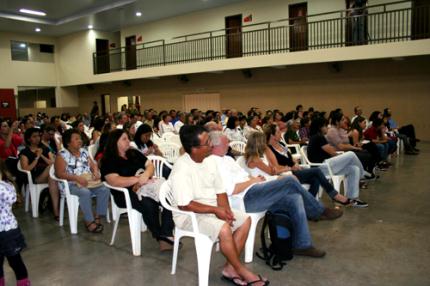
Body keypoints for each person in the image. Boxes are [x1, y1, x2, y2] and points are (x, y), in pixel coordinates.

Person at [209, 131, 343, 258]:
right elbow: (232, 190)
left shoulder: (227, 160)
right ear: (215, 145)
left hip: (255, 191)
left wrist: (255, 180)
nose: (228, 144)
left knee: (294, 198)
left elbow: (247, 177)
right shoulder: (213, 163)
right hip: (245, 199)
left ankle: (302, 244)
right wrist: (254, 181)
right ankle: (318, 211)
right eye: (225, 143)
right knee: (289, 181)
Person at [169, 125, 269, 286]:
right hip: (190, 215)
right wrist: (216, 210)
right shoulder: (182, 168)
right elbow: (185, 205)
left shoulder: (209, 161)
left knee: (245, 220)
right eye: (207, 142)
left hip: (211, 209)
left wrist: (226, 211)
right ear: (194, 149)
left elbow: (220, 191)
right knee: (223, 228)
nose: (211, 145)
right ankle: (242, 270)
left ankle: (230, 268)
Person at [101, 129, 174, 250]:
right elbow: (114, 181)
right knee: (148, 203)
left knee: (168, 196)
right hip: (125, 193)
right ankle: (160, 236)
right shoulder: (108, 160)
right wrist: (139, 179)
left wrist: (146, 175)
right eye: (124, 139)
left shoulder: (133, 153)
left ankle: (166, 233)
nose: (128, 141)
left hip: (146, 186)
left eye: (128, 138)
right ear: (115, 142)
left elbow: (149, 165)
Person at [264, 124, 350, 204]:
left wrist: (296, 164)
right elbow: (276, 167)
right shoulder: (269, 149)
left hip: (295, 170)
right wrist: (291, 168)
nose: (281, 133)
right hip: (287, 174)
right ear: (272, 136)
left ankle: (308, 204)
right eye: (278, 132)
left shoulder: (281, 144)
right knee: (316, 171)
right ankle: (334, 195)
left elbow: (291, 158)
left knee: (315, 179)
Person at [55, 129, 110, 233]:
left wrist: (95, 172)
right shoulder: (62, 155)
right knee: (85, 192)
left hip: (87, 181)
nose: (80, 140)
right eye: (76, 139)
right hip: (70, 184)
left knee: (105, 189)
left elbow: (92, 164)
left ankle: (97, 216)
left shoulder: (84, 151)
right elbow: (59, 173)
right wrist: (76, 178)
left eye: (80, 138)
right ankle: (88, 221)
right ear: (68, 142)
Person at [307, 116, 368, 207]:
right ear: (320, 127)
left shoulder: (318, 137)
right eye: (325, 126)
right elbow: (332, 152)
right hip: (321, 168)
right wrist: (342, 157)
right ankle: (363, 174)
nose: (327, 127)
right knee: (350, 154)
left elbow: (332, 152)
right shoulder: (318, 137)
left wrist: (341, 157)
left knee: (354, 169)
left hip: (326, 165)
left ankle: (353, 198)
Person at [0, 160, 31, 286]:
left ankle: (23, 283)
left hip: (8, 232)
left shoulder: (5, 186)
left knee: (15, 261)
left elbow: (12, 197)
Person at [19, 128, 59, 219]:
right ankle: (55, 207)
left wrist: (41, 155)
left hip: (49, 175)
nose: (37, 138)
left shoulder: (44, 149)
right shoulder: (25, 152)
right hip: (35, 177)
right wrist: (36, 158)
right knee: (52, 170)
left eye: (38, 136)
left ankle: (56, 212)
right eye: (34, 136)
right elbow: (26, 169)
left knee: (52, 178)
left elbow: (52, 162)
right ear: (29, 139)